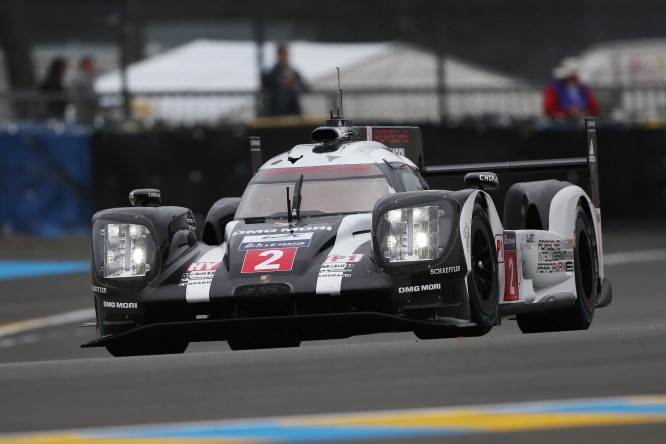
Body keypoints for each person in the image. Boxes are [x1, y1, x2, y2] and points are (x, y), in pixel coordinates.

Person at [264, 43, 306, 116]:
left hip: (294, 107)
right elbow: (269, 83)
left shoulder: (293, 71)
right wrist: (282, 83)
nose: (284, 57)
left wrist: (295, 83)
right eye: (282, 54)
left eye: (285, 54)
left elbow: (303, 84)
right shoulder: (274, 71)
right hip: (279, 109)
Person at [70, 55, 98, 125]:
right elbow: (90, 96)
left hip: (83, 112)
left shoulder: (82, 77)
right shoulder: (83, 79)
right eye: (92, 65)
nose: (94, 67)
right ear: (86, 66)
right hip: (85, 113)